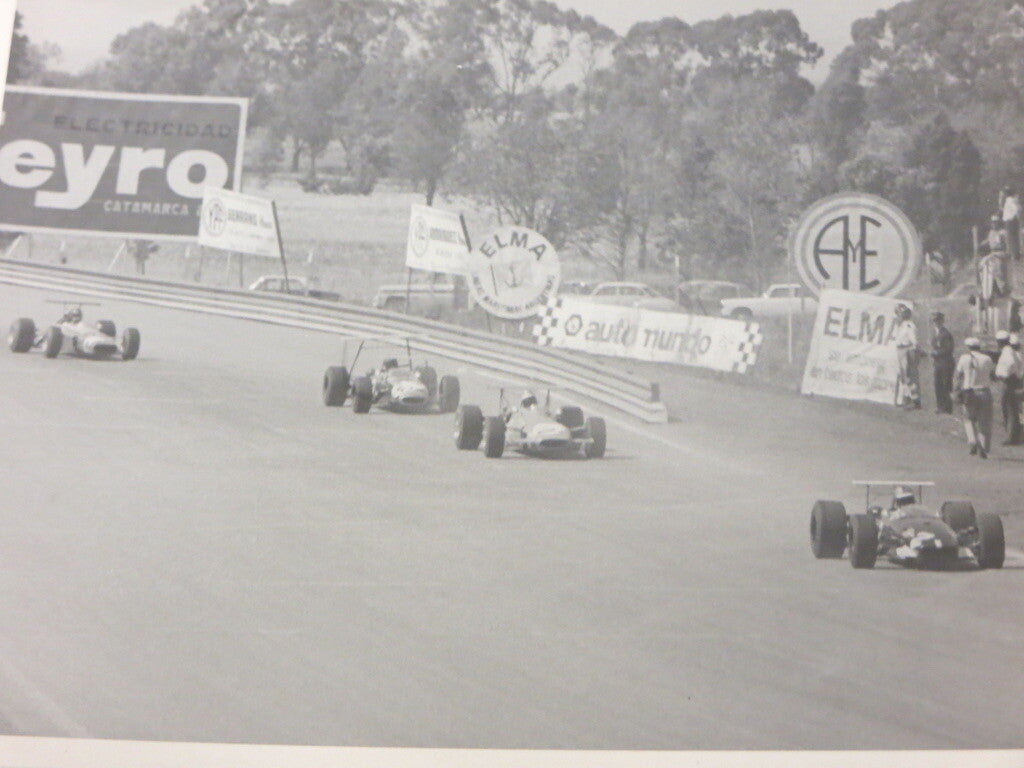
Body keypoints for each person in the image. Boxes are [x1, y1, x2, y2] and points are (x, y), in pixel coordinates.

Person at [953, 337, 995, 458]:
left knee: (968, 418)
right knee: (984, 421)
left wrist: (956, 390)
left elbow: (958, 375)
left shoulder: (964, 358)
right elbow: (992, 375)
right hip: (984, 391)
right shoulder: (987, 359)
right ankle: (984, 446)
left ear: (968, 347)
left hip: (969, 392)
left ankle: (972, 440)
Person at [995, 331, 1024, 445]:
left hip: (1009, 382)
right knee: (1012, 409)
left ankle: (1011, 436)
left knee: (1009, 409)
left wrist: (1003, 375)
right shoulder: (1012, 352)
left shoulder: (1007, 352)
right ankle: (1014, 435)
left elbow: (1009, 365)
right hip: (1014, 381)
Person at [894, 304, 921, 409]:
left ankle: (915, 400)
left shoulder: (908, 325)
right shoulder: (901, 325)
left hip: (907, 350)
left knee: (908, 377)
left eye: (899, 314)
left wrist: (913, 352)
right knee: (903, 377)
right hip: (901, 350)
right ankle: (906, 399)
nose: (898, 316)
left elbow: (914, 340)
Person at [930, 311, 955, 414]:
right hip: (938, 363)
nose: (935, 323)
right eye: (934, 321)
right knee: (938, 385)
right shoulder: (936, 333)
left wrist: (936, 352)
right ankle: (940, 406)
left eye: (937, 320)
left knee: (946, 385)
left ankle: (947, 407)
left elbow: (949, 349)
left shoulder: (945, 333)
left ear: (941, 321)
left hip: (946, 363)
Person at [1002, 187, 1021, 261]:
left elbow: (1016, 209)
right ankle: (1015, 254)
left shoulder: (1010, 200)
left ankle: (1015, 255)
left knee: (1012, 237)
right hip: (1010, 220)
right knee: (1013, 238)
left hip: (1011, 220)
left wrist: (1014, 216)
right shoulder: (1012, 200)